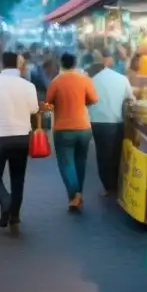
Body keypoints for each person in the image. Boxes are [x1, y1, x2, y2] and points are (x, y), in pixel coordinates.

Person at [0, 50, 39, 230]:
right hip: (21, 137)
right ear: (18, 64)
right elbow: (35, 110)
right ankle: (15, 216)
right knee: (18, 178)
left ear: (1, 65)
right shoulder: (29, 87)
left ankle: (5, 201)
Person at [44, 52, 98, 211]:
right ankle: (77, 194)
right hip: (84, 128)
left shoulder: (56, 82)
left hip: (63, 128)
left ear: (61, 64)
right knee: (80, 161)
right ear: (75, 63)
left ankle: (74, 195)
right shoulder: (85, 79)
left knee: (66, 163)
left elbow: (48, 103)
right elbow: (94, 99)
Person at [88, 51, 135, 196]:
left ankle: (108, 187)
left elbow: (86, 102)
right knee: (116, 153)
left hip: (96, 123)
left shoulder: (91, 80)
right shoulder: (122, 79)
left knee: (102, 154)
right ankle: (116, 185)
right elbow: (131, 100)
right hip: (116, 122)